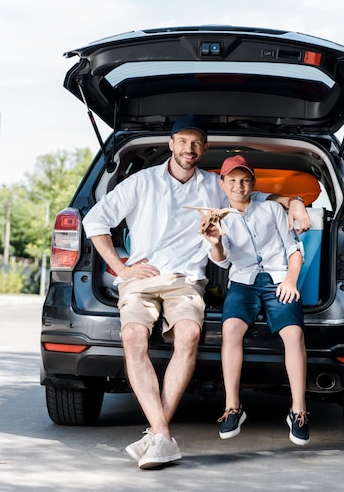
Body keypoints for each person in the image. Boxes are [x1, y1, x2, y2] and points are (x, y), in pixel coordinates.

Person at [82, 116, 311, 469]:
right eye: (183, 141)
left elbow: (252, 194)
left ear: (204, 150)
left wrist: (294, 201)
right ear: (171, 144)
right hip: (140, 280)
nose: (189, 149)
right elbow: (94, 221)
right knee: (132, 336)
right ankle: (162, 434)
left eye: (196, 143)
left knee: (188, 333)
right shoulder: (140, 182)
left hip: (186, 279)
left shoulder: (214, 186)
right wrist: (122, 268)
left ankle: (158, 437)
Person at [203, 154, 310, 446]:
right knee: (231, 330)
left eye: (245, 180)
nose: (239, 186)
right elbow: (222, 263)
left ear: (253, 183)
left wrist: (290, 279)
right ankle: (233, 408)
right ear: (222, 184)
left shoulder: (272, 209)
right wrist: (215, 243)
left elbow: (294, 248)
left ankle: (298, 411)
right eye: (233, 180)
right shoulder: (215, 216)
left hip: (278, 279)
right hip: (243, 281)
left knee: (293, 334)